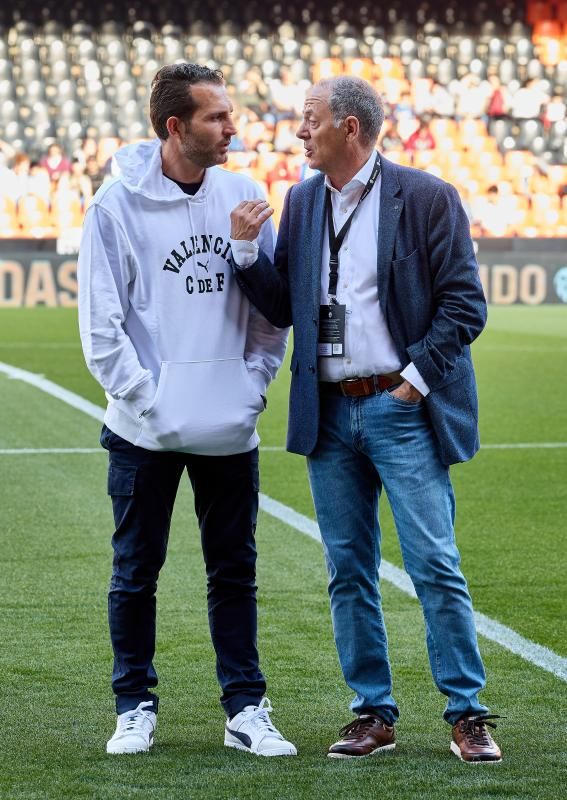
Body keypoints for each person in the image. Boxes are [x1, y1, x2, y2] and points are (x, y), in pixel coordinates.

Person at [231, 75, 502, 764]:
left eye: (309, 119)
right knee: (347, 569)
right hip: (328, 414)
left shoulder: (426, 196)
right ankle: (371, 713)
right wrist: (242, 253)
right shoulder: (301, 201)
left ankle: (466, 713)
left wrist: (411, 385)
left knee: (433, 565)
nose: (299, 131)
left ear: (349, 127)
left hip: (398, 407)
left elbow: (464, 305)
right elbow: (287, 304)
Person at [77, 63, 295, 758]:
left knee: (234, 571)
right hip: (145, 430)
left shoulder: (243, 193)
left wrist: (251, 388)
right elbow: (101, 329)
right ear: (175, 127)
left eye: (229, 115)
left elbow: (269, 316)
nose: (232, 128)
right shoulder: (116, 205)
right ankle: (134, 704)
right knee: (136, 570)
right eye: (215, 118)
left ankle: (245, 708)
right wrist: (152, 402)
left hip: (230, 427)